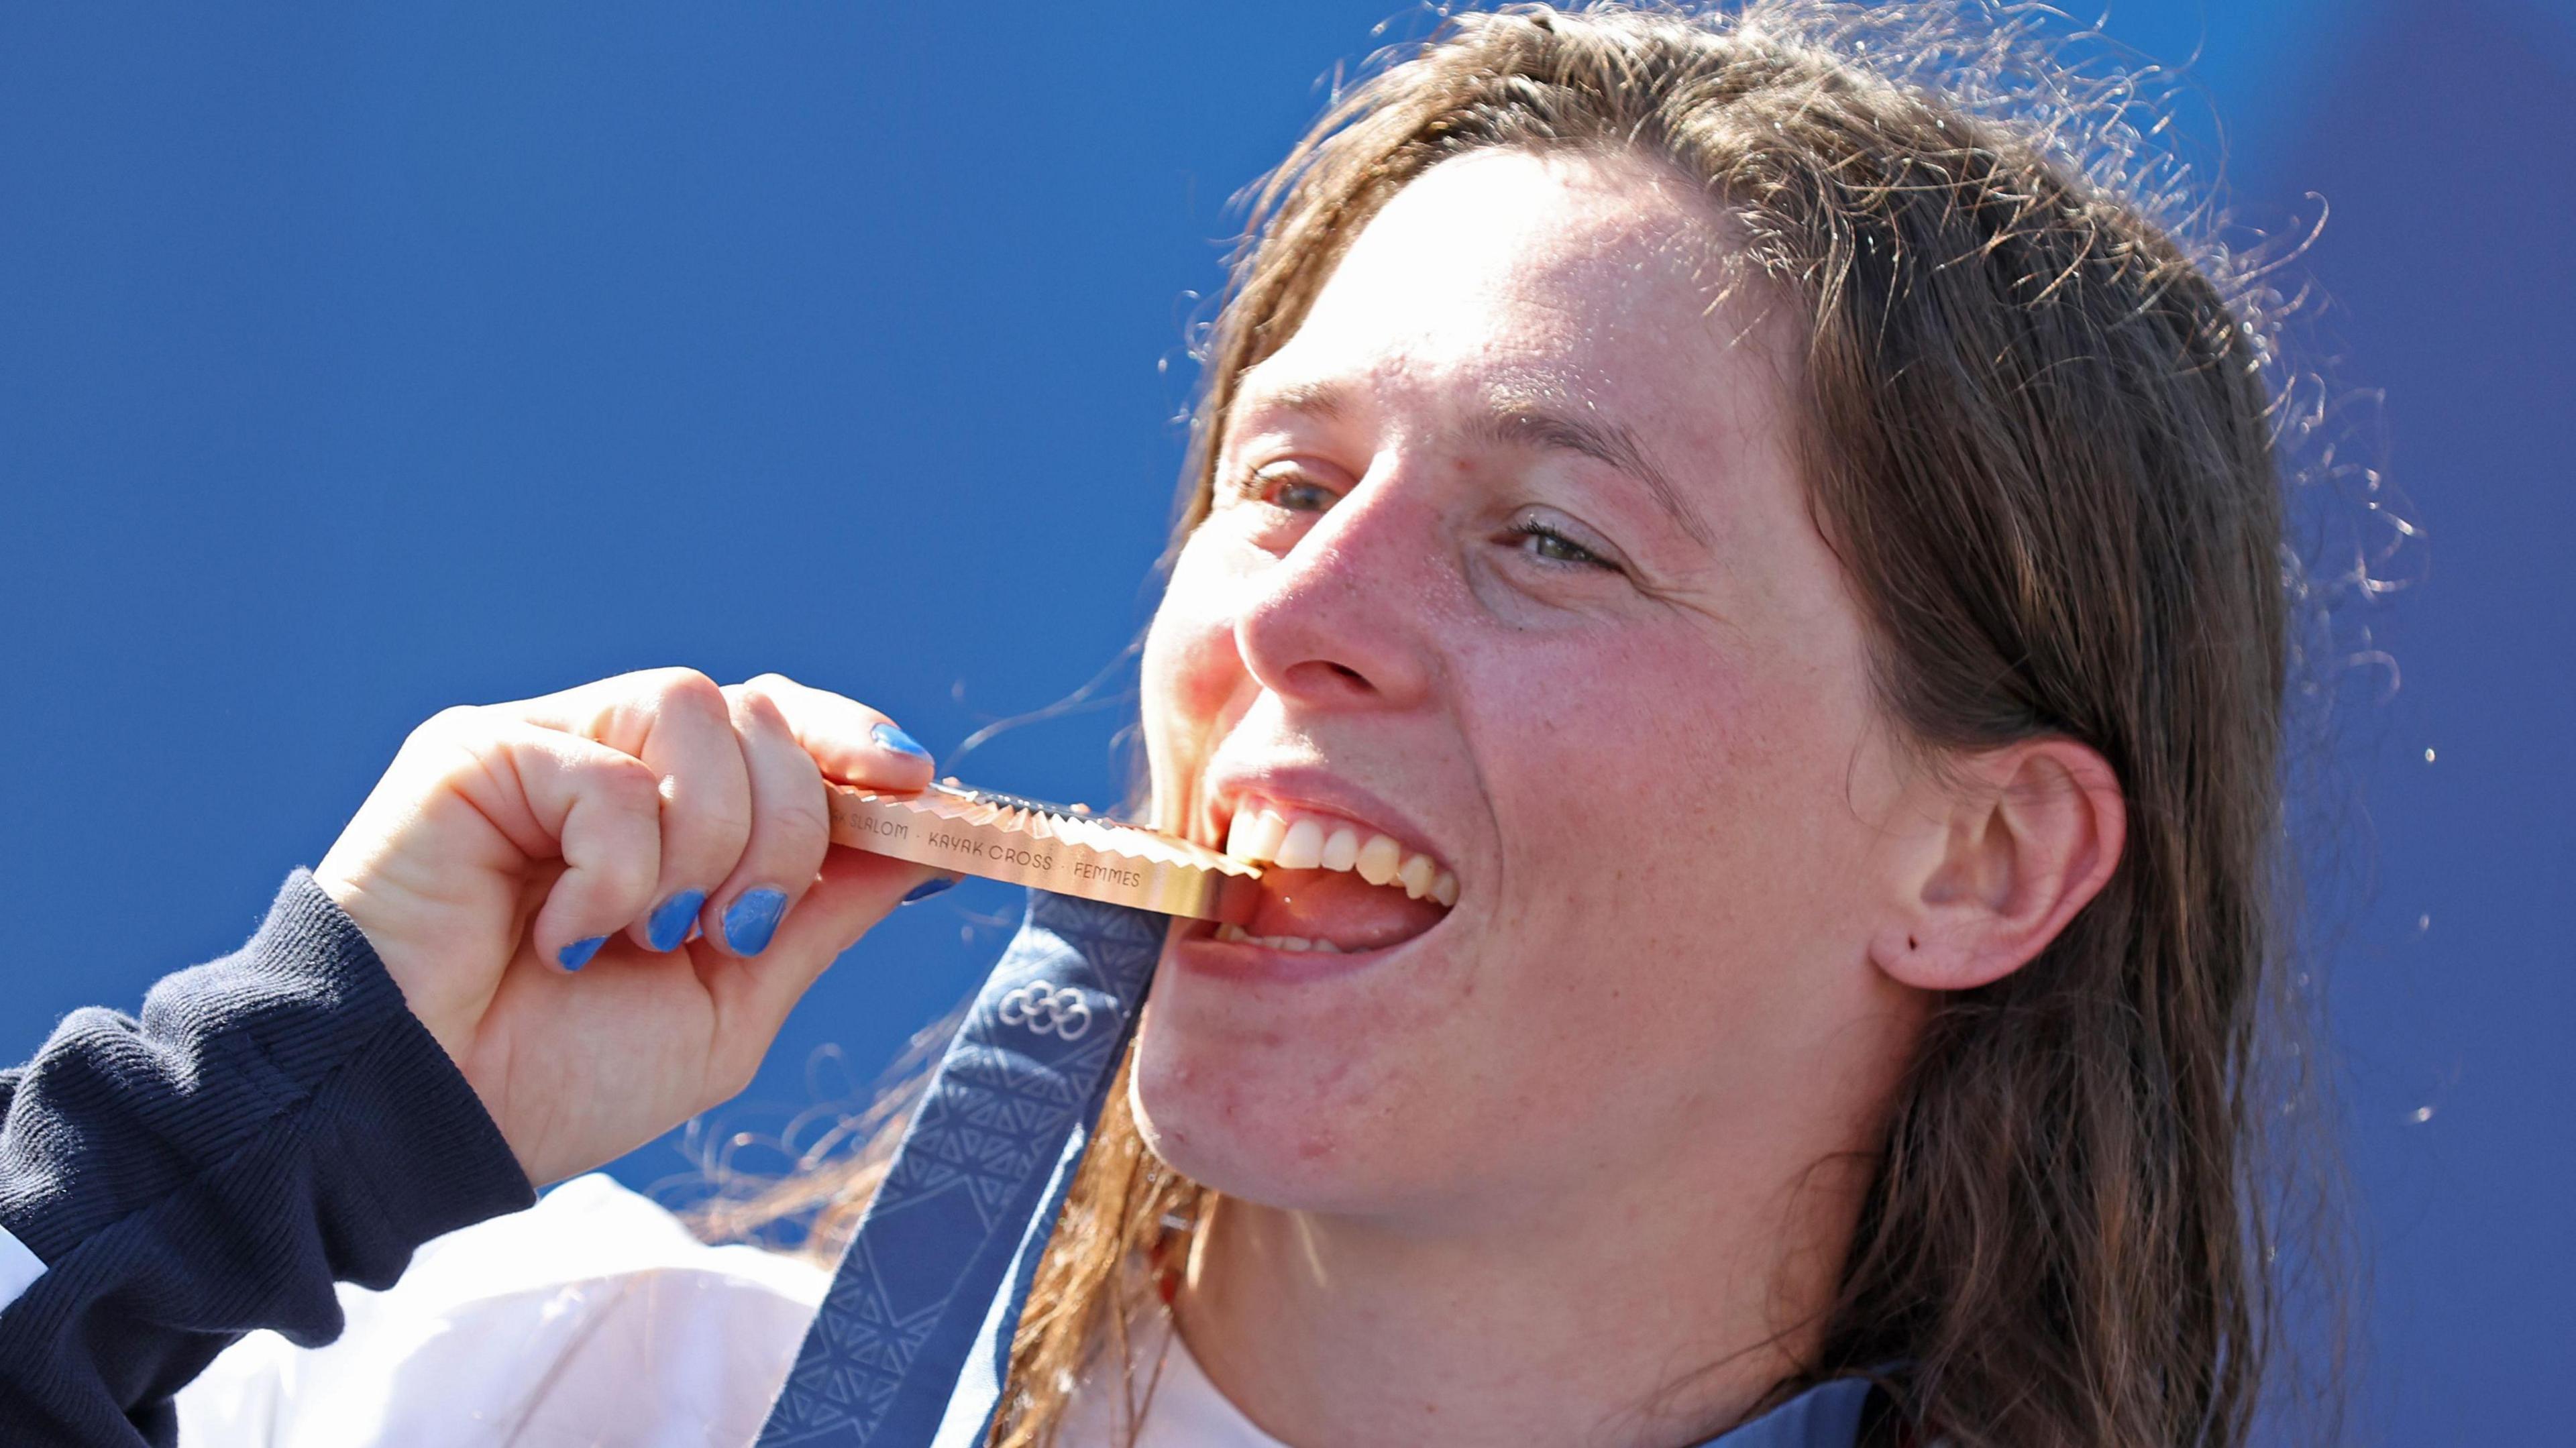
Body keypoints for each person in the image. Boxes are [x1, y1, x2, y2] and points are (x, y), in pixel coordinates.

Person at [0, 3, 2326, 1445]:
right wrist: (248, 1138)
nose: (1295, 613)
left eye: (1549, 541)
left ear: (1982, 860)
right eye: (1280, 484)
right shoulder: (506, 1397)